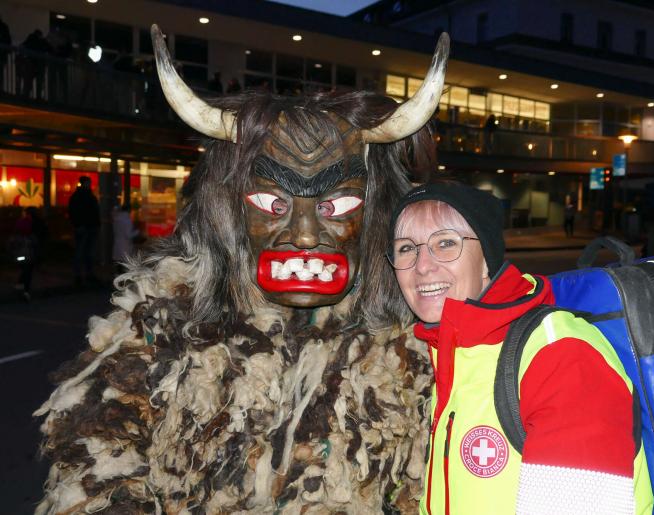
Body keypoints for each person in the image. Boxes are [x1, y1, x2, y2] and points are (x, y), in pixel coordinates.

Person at [34, 26, 450, 513]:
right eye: (272, 203)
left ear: (375, 211)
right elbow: (96, 449)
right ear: (229, 209)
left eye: (337, 206)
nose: (306, 235)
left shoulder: (410, 346)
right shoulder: (167, 319)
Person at [388, 182, 653, 514]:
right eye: (406, 248)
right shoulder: (444, 353)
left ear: (487, 259)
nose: (422, 265)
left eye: (445, 243)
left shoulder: (561, 356)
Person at [68, 175, 100, 284]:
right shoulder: (86, 196)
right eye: (89, 182)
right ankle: (85, 274)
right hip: (86, 227)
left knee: (84, 251)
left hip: (86, 227)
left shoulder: (79, 196)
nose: (90, 184)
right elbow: (75, 212)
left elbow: (73, 212)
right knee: (85, 251)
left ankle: (83, 274)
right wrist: (79, 225)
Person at [12, 207, 47, 301]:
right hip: (29, 256)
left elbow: (12, 246)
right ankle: (25, 290)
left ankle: (20, 288)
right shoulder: (32, 237)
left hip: (20, 256)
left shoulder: (18, 237)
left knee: (24, 272)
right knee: (27, 272)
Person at [111, 205, 138, 273]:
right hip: (125, 245)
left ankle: (117, 279)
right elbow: (129, 235)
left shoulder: (116, 219)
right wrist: (137, 232)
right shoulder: (127, 220)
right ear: (129, 211)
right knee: (124, 265)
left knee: (119, 265)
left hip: (117, 244)